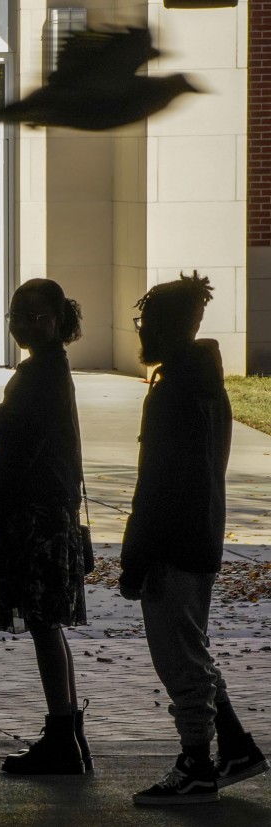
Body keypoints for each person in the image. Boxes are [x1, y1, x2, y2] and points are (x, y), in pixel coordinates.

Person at [120, 273, 268, 805]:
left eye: (146, 321)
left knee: (180, 661)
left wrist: (135, 558)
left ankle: (197, 766)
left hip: (172, 546)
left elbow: (157, 485)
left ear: (164, 326)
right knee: (192, 650)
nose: (141, 330)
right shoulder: (204, 382)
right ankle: (233, 745)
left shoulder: (173, 393)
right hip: (198, 537)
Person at [0, 279, 90, 775]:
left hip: (36, 516)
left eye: (34, 316)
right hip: (44, 512)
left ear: (57, 319)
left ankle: (62, 733)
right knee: (48, 625)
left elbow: (10, 435)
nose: (22, 324)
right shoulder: (47, 369)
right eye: (16, 315)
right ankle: (65, 731)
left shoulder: (40, 373)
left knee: (43, 625)